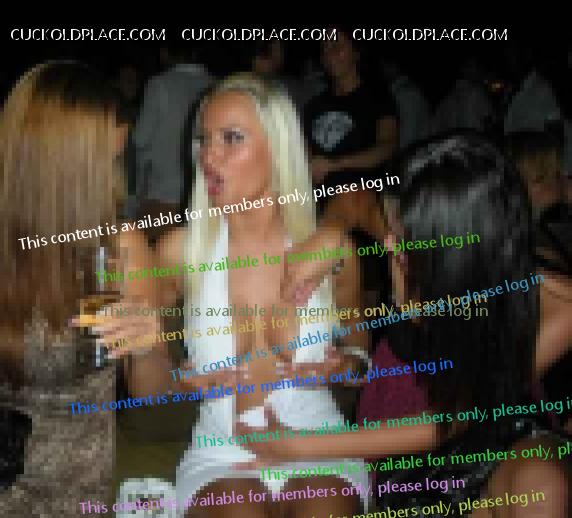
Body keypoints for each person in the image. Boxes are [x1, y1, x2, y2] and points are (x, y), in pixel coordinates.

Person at [236, 134, 570, 517]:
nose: (388, 246)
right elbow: (353, 199)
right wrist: (330, 234)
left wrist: (294, 446)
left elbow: (452, 421)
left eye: (404, 242)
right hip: (400, 418)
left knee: (541, 486)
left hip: (485, 425)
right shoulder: (413, 230)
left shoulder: (554, 305)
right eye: (392, 230)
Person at [96, 73, 369, 517]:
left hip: (318, 441)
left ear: (278, 148)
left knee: (325, 506)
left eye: (231, 138)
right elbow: (149, 393)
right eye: (203, 139)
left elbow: (359, 344)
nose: (208, 155)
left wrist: (348, 364)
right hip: (221, 451)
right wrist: (152, 356)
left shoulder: (328, 252)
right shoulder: (180, 251)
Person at [0, 61, 132, 516]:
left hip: (75, 490)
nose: (119, 184)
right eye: (107, 165)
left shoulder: (119, 249)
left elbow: (152, 399)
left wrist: (149, 343)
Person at [133, 44, 213, 239]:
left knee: (155, 255)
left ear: (165, 51)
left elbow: (140, 139)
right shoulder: (216, 84)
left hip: (161, 197)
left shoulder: (159, 85)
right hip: (204, 199)